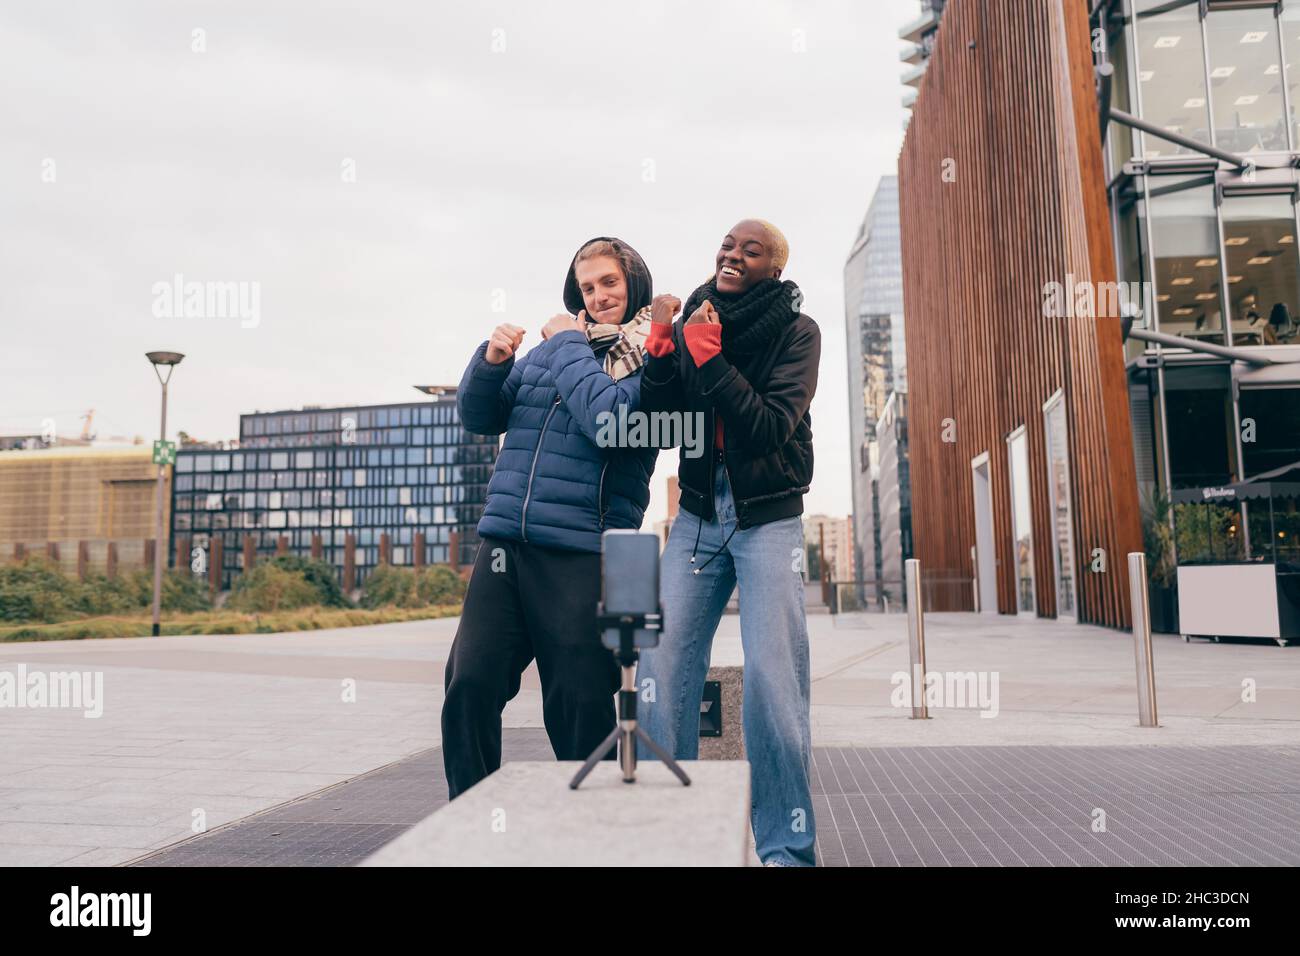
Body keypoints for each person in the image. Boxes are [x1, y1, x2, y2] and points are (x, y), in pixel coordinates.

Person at [441, 237, 658, 799]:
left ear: (633, 282)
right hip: (503, 541)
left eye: (609, 282)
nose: (598, 295)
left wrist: (565, 341)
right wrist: (490, 363)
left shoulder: (653, 357)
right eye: (587, 287)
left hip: (581, 547)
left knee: (579, 700)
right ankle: (470, 819)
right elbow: (481, 416)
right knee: (469, 683)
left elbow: (608, 420)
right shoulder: (546, 355)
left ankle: (592, 835)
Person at [635, 219, 821, 866]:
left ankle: (787, 851)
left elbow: (768, 428)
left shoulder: (798, 334)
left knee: (774, 681)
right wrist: (664, 353)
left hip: (768, 519)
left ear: (774, 269)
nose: (733, 253)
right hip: (695, 519)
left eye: (752, 249)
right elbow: (658, 424)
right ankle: (671, 840)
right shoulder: (694, 323)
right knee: (658, 667)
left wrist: (710, 358)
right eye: (728, 244)